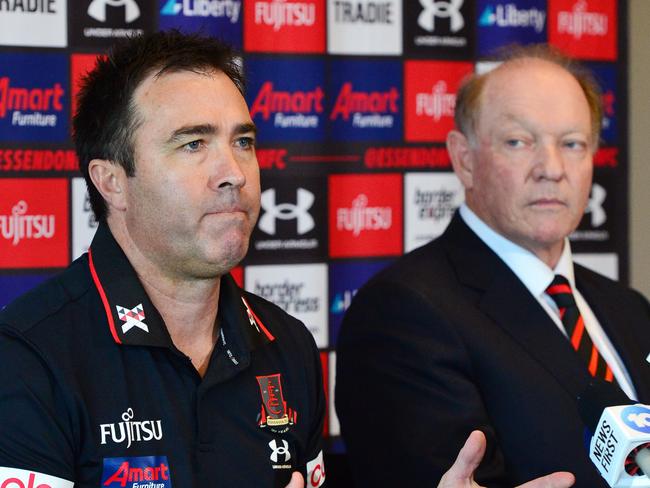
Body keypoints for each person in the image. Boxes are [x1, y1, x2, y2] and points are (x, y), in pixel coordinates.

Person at [0, 31, 324, 488]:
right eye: (193, 144)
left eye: (243, 142)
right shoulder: (28, 357)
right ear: (111, 181)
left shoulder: (288, 345)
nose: (233, 173)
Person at [335, 44, 650, 487]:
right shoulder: (403, 314)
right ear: (464, 159)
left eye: (572, 144)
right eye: (518, 142)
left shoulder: (630, 309)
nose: (552, 168)